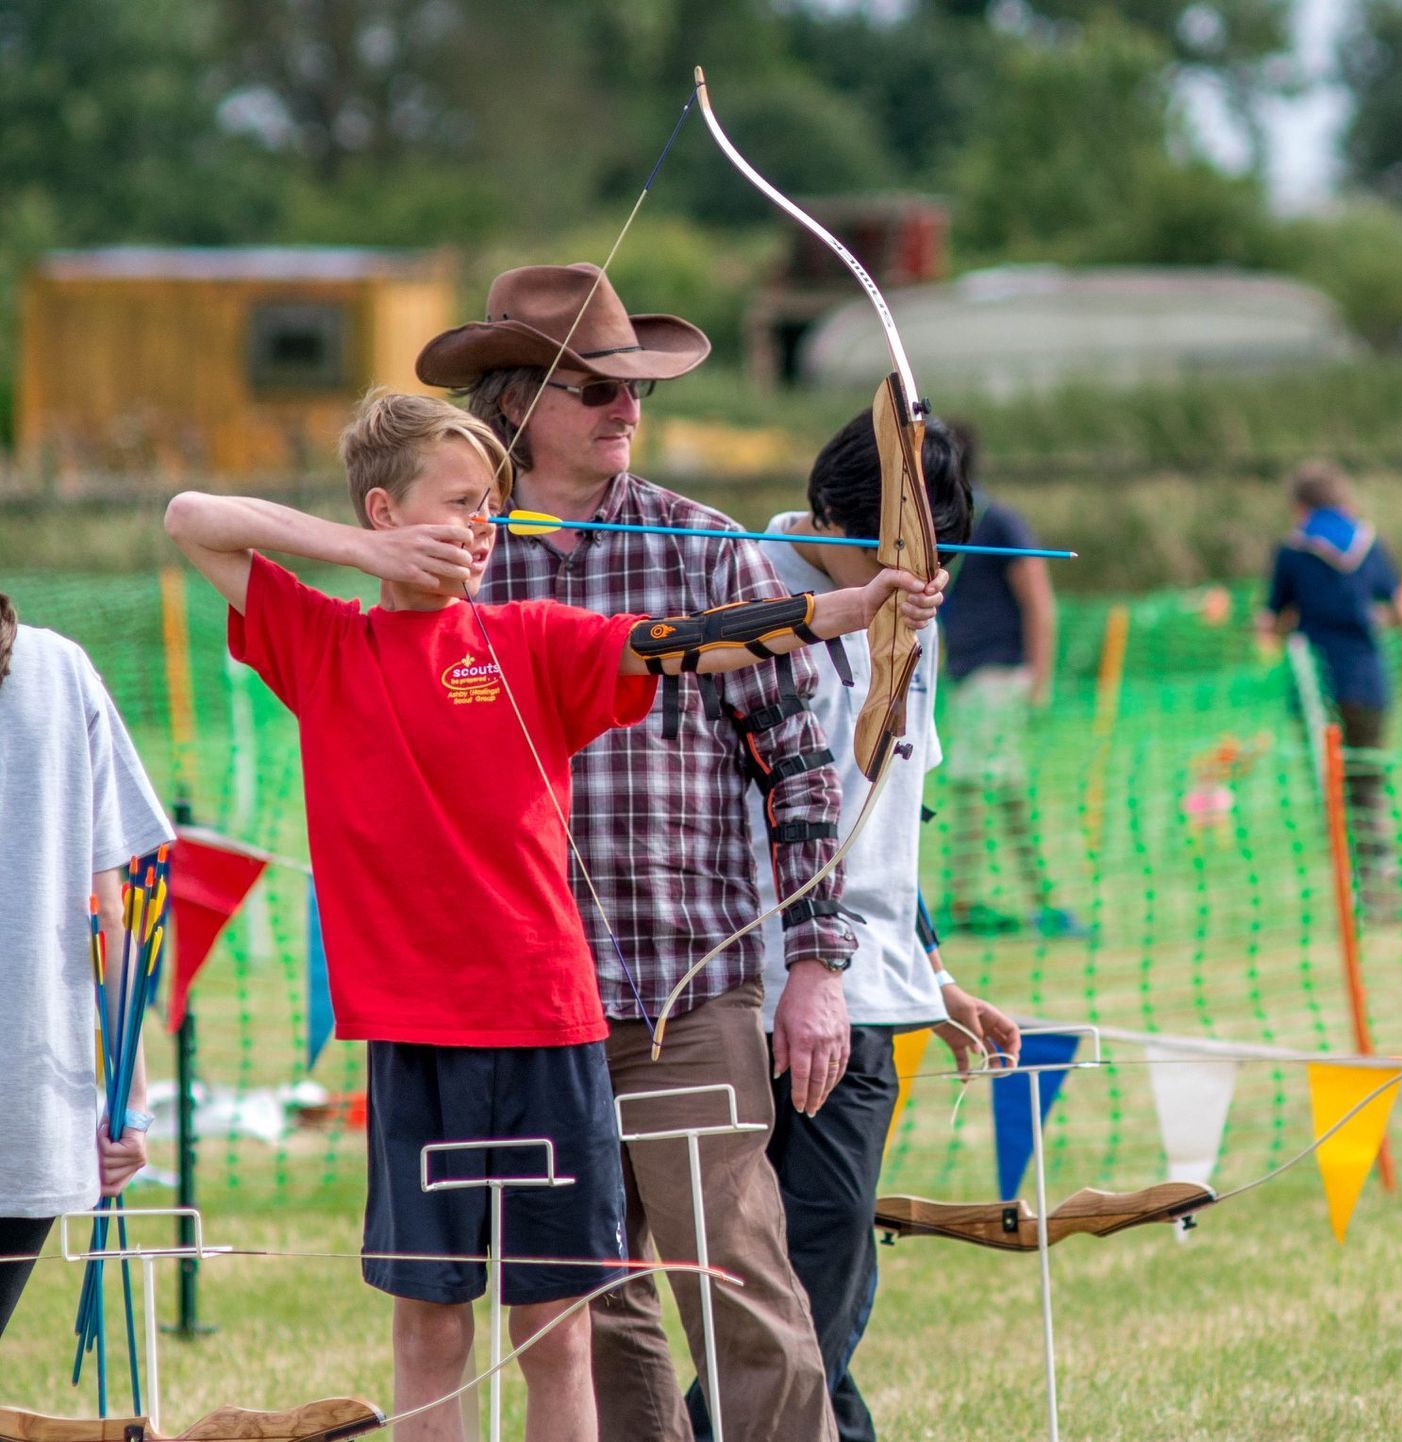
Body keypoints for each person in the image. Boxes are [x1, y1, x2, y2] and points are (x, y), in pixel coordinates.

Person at [163, 390, 943, 1442]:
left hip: (548, 1025)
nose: (483, 528)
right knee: (432, 1327)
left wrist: (836, 612)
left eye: (490, 507)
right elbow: (189, 516)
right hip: (418, 1038)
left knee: (561, 1327)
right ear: (386, 511)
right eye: (457, 506)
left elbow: (679, 641)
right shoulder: (325, 645)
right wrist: (364, 552)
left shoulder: (527, 635)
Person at [426, 262, 859, 1442]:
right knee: (588, 1302)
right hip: (523, 1006)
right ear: (514, 403)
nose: (627, 408)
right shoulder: (455, 563)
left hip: (686, 992)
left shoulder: (708, 552)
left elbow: (804, 770)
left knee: (739, 1287)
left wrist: (817, 965)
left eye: (636, 389)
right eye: (594, 387)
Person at [685, 413, 1023, 1442]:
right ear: (829, 515)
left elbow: (885, 822)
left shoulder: (916, 620)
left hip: (867, 996)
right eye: (896, 552)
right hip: (743, 985)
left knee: (823, 1278)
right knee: (765, 1297)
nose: (921, 579)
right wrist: (807, 966)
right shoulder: (740, 594)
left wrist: (933, 970)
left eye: (938, 554)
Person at [0, 594, 171, 1340]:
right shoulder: (60, 667)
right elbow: (113, 911)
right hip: (28, 1105)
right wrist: (126, 1107)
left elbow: (111, 911)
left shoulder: (57, 670)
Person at [1255, 460, 1402, 910]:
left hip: (1317, 686)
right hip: (1368, 680)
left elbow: (1268, 623)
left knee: (1330, 785)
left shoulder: (1292, 552)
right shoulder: (1370, 545)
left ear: (1299, 506)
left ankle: (1352, 883)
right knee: (1368, 782)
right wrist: (1373, 618)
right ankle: (1382, 875)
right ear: (1343, 499)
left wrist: (1292, 622)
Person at [937, 446, 1085, 940]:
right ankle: (994, 896)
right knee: (991, 789)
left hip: (998, 677)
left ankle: (1002, 899)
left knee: (981, 788)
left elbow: (1039, 602)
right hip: (968, 679)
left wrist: (1039, 681)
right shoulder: (940, 527)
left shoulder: (998, 522)